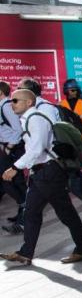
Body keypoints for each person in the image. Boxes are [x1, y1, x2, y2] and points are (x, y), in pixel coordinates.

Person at [0, 88, 82, 266]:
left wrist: (15, 168)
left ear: (28, 102)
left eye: (15, 101)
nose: (12, 104)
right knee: (32, 212)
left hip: (49, 172)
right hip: (42, 173)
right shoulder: (29, 119)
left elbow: (37, 148)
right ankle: (26, 253)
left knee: (64, 213)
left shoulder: (35, 119)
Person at [21, 78, 82, 229]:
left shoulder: (43, 108)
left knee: (74, 186)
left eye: (20, 89)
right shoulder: (40, 107)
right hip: (54, 157)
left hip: (57, 156)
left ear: (28, 94)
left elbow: (51, 133)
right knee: (72, 185)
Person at [0, 80, 26, 234]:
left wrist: (9, 147)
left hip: (12, 148)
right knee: (14, 181)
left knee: (9, 181)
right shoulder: (3, 106)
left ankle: (24, 208)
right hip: (7, 147)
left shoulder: (6, 106)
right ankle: (22, 212)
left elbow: (17, 128)